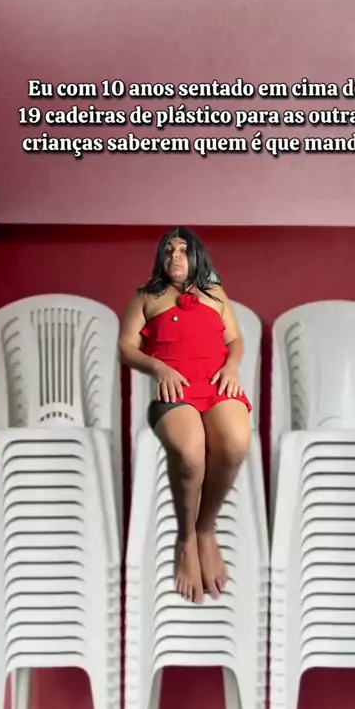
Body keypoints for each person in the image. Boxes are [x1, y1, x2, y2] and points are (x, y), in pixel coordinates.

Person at [119, 227, 252, 604]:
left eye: (183, 250)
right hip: (175, 391)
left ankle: (206, 529)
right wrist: (159, 368)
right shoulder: (146, 297)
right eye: (168, 250)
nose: (175, 256)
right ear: (160, 258)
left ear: (196, 257)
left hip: (217, 385)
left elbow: (235, 339)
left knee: (236, 444)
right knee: (191, 453)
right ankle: (186, 539)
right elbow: (126, 347)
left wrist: (232, 367)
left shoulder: (215, 293)